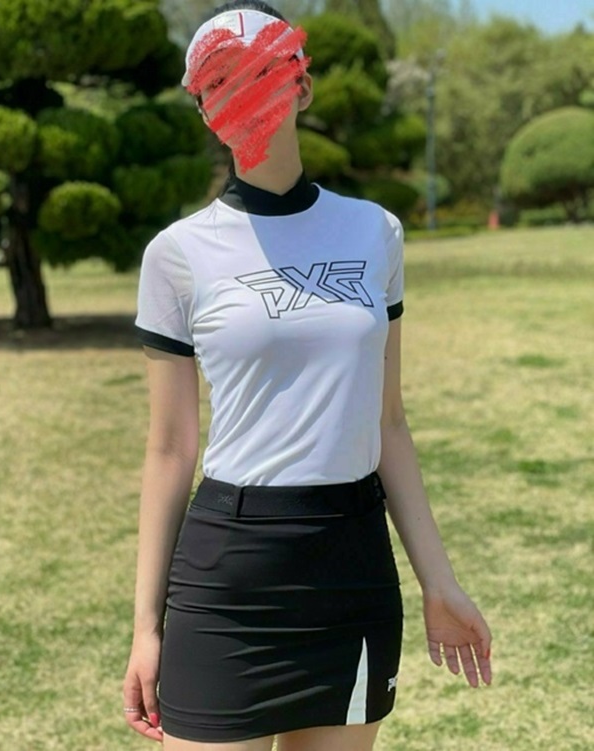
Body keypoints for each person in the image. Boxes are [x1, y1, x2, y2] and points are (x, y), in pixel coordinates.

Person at [123, 3, 492, 750]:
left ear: (302, 84)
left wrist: (439, 581)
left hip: (350, 568)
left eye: (263, 71)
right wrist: (144, 627)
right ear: (204, 109)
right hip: (228, 574)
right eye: (220, 81)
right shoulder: (178, 253)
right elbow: (170, 449)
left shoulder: (375, 231)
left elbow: (388, 424)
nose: (243, 92)